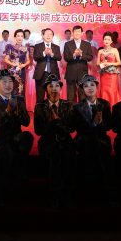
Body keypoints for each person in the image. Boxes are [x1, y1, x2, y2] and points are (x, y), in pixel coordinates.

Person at [0, 69, 33, 206]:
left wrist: (18, 113)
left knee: (27, 136)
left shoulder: (19, 100)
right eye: (4, 82)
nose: (8, 85)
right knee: (5, 153)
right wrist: (7, 112)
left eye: (10, 81)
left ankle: (20, 176)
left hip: (15, 137)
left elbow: (26, 122)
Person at [33, 74, 75, 208]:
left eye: (57, 86)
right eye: (51, 86)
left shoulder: (68, 105)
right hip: (47, 142)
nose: (54, 89)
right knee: (54, 159)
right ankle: (54, 195)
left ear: (61, 88)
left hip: (65, 141)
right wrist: (52, 124)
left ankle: (66, 194)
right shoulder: (40, 106)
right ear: (46, 89)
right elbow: (38, 131)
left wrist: (58, 123)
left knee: (67, 159)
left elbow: (71, 128)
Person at [72, 74, 114, 202]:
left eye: (92, 85)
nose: (89, 88)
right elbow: (78, 128)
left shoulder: (105, 104)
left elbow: (109, 126)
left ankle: (105, 191)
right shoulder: (77, 107)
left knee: (100, 150)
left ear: (97, 87)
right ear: (83, 89)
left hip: (101, 138)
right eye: (86, 86)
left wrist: (101, 123)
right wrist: (94, 123)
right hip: (83, 139)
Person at [64, 25, 93, 102]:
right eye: (75, 31)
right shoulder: (67, 44)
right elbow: (66, 57)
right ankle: (71, 110)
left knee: (83, 96)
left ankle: (82, 110)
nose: (77, 33)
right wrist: (74, 55)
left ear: (82, 33)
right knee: (70, 96)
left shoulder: (87, 44)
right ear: (73, 33)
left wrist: (81, 55)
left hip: (83, 73)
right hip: (71, 73)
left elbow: (90, 57)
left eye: (79, 31)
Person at [33, 28, 61, 104]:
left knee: (52, 96)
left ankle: (52, 111)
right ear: (43, 36)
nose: (48, 36)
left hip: (53, 74)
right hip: (41, 74)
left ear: (52, 36)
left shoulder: (56, 47)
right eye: (46, 34)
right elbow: (35, 58)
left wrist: (52, 54)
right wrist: (44, 53)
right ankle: (39, 111)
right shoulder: (38, 46)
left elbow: (59, 58)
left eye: (50, 34)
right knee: (40, 96)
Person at [3, 29, 31, 96]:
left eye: (21, 36)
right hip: (12, 71)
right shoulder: (10, 47)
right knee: (12, 89)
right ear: (15, 37)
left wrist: (23, 65)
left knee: (21, 90)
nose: (19, 38)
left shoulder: (26, 48)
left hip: (21, 71)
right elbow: (5, 59)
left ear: (23, 37)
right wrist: (14, 64)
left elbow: (28, 60)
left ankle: (20, 102)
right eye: (18, 36)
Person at [97, 32, 121, 105]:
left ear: (111, 41)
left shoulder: (115, 50)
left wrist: (109, 63)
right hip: (104, 75)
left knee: (111, 91)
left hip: (112, 75)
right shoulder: (100, 51)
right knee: (103, 91)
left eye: (108, 39)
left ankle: (113, 108)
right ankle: (104, 109)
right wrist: (102, 64)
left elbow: (119, 62)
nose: (106, 41)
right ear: (103, 40)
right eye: (105, 39)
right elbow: (97, 64)